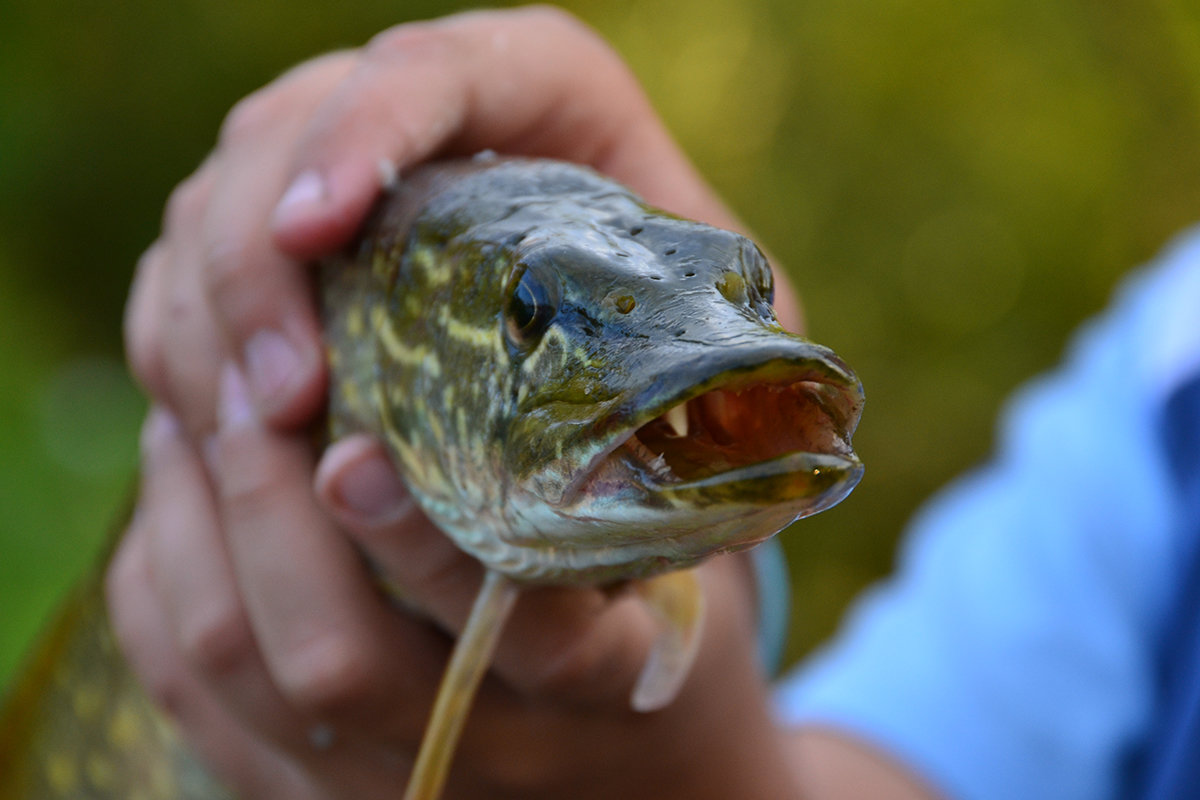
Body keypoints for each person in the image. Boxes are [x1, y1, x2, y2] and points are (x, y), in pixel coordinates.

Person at [111, 6, 1200, 799]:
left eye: (747, 292)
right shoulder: (1165, 382)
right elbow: (900, 767)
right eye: (533, 310)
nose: (731, 346)